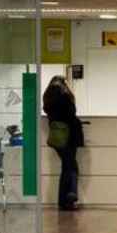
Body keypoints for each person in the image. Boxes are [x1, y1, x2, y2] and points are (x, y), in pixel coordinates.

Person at [43, 76, 84, 211]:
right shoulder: (64, 96)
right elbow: (71, 114)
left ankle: (67, 199)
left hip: (57, 137)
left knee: (68, 167)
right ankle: (68, 198)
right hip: (68, 136)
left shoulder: (48, 97)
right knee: (70, 168)